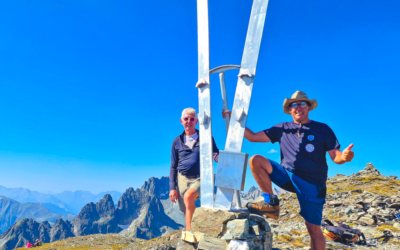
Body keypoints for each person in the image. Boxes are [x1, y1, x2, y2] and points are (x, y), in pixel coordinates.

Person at [222, 91, 354, 250]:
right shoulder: (282, 128)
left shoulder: (322, 129)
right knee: (255, 160)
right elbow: (253, 137)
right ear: (290, 109)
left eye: (303, 104)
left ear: (309, 108)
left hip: (312, 184)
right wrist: (234, 121)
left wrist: (345, 157)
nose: (299, 108)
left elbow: (336, 157)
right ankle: (271, 203)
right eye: (294, 105)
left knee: (313, 229)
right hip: (287, 175)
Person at [169, 107, 219, 230]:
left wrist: (225, 160)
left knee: (188, 197)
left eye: (192, 119)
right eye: (186, 119)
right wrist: (172, 188)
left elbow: (215, 153)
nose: (189, 121)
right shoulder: (176, 141)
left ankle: (190, 232)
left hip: (200, 177)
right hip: (182, 178)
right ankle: (192, 231)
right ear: (181, 121)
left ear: (196, 121)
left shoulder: (205, 137)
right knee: (186, 209)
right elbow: (173, 166)